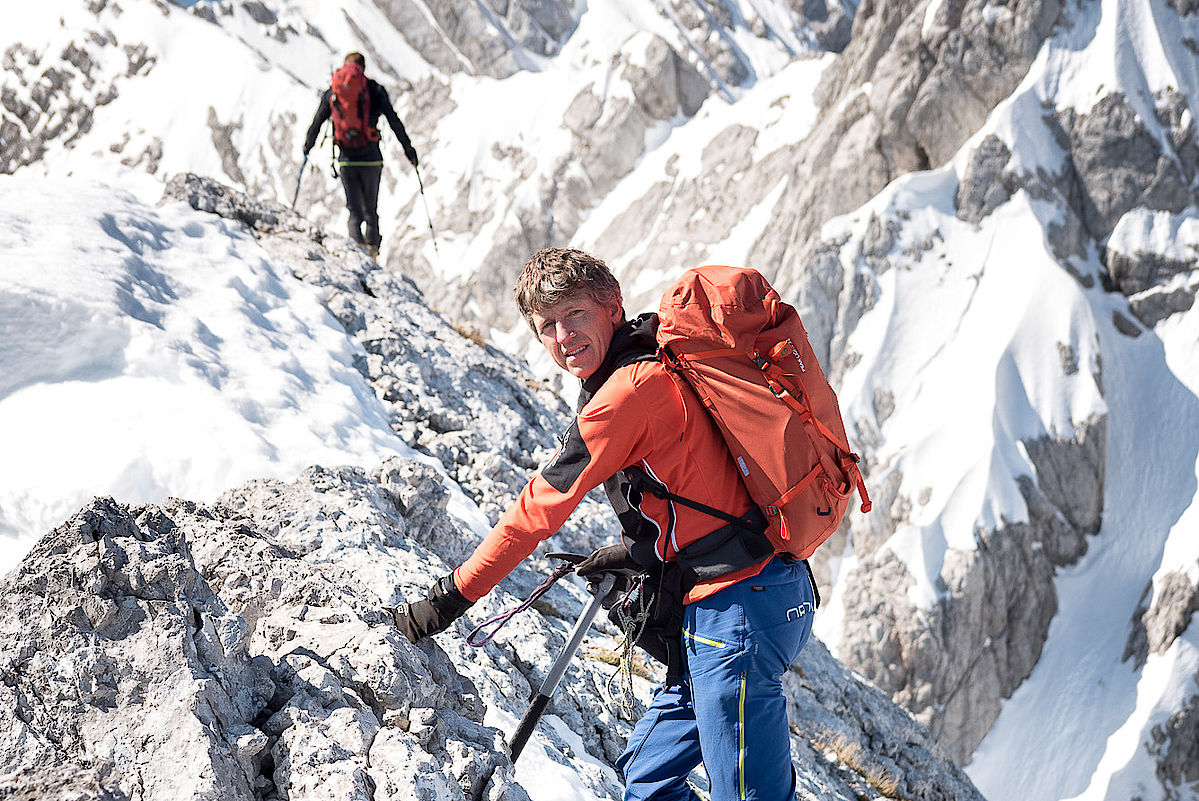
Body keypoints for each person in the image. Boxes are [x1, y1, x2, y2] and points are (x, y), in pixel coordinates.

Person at [393, 248, 816, 801]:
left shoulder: (627, 393)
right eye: (547, 325)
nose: (564, 335)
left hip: (736, 613)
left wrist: (447, 600)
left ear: (612, 307)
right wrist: (637, 551)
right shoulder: (650, 362)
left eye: (575, 314)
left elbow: (535, 513)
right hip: (755, 598)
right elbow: (695, 482)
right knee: (647, 777)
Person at [302, 52, 418, 258]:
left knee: (354, 212)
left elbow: (317, 121)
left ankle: (357, 257)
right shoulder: (373, 90)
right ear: (363, 68)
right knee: (371, 211)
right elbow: (394, 120)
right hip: (371, 158)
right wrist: (409, 150)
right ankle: (372, 256)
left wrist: (307, 146)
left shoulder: (334, 92)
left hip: (346, 159)